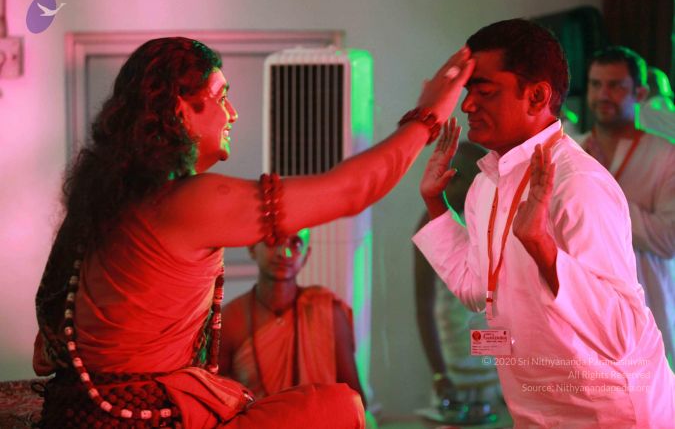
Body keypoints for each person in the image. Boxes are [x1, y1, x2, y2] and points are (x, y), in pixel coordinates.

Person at [32, 36, 474, 428]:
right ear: (180, 107)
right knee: (339, 407)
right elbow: (352, 190)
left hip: (85, 409)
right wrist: (429, 114)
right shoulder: (184, 202)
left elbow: (45, 345)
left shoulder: (102, 204)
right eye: (220, 96)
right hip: (146, 420)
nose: (233, 113)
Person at [413, 19, 675, 427]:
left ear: (536, 96)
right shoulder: (486, 183)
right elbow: (476, 289)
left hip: (611, 411)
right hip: (538, 406)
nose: (467, 106)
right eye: (467, 92)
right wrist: (436, 204)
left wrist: (543, 248)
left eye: (484, 91)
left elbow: (621, 332)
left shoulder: (577, 182)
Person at [581, 46, 675, 369]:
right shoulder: (572, 151)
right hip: (586, 316)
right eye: (595, 84)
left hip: (650, 311)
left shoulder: (665, 156)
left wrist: (601, 187)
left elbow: (667, 239)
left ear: (641, 93)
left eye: (616, 86)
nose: (602, 95)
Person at [218, 229, 367, 407]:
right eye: (274, 241)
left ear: (306, 255)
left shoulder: (328, 312)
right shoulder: (231, 320)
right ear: (252, 248)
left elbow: (355, 400)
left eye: (295, 244)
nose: (284, 253)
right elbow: (216, 401)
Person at [414, 141, 503, 424]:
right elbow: (424, 306)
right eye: (478, 181)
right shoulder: (430, 224)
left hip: (496, 372)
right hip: (453, 369)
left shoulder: (490, 221)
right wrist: (439, 374)